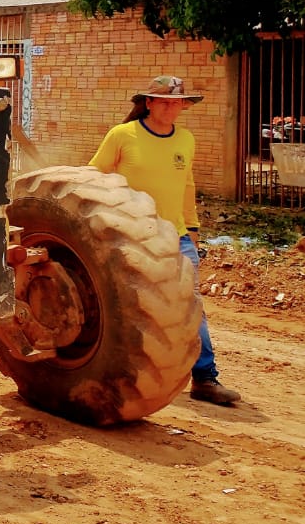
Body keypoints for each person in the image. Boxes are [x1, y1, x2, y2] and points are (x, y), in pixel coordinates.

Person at [89, 74, 240, 406]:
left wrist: (193, 229)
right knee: (130, 309)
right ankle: (121, 373)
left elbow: (186, 186)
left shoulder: (185, 139)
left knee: (190, 304)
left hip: (177, 236)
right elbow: (95, 178)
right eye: (166, 102)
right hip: (132, 237)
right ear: (149, 103)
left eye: (179, 103)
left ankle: (205, 378)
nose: (174, 108)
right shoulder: (122, 136)